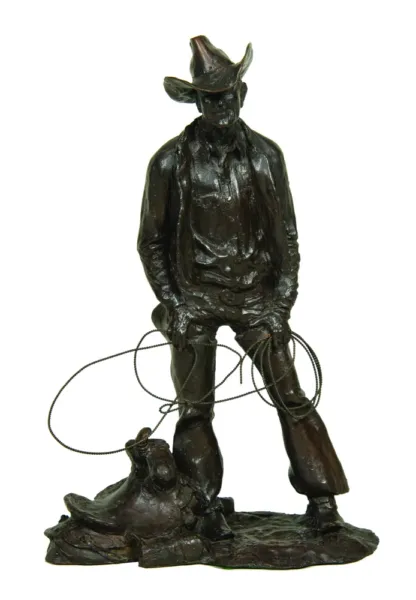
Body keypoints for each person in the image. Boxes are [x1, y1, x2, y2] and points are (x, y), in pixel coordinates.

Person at [137, 36, 349, 541]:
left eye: (227, 95)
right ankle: (202, 504)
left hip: (256, 298)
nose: (221, 106)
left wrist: (280, 304)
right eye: (210, 98)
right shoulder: (168, 162)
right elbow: (151, 242)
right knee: (194, 408)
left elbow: (286, 239)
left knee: (291, 395)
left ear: (242, 93)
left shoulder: (266, 156)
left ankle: (322, 499)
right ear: (196, 101)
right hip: (195, 299)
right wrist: (173, 303)